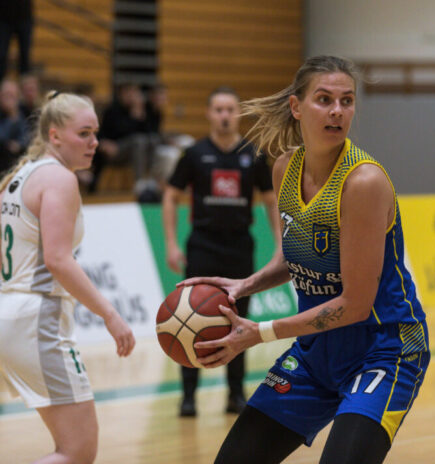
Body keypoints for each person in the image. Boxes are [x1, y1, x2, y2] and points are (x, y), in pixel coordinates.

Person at [179, 55, 429, 464]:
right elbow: (297, 256)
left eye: (347, 101)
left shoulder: (363, 182)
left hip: (384, 349)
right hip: (317, 352)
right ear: (297, 107)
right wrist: (245, 284)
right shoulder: (284, 168)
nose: (337, 111)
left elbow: (355, 304)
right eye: (324, 99)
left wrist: (260, 332)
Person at [0, 90, 136, 463]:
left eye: (95, 133)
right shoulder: (58, 179)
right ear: (55, 135)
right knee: (77, 452)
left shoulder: (20, 176)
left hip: (10, 311)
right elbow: (58, 260)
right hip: (36, 320)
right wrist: (110, 313)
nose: (94, 143)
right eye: (84, 133)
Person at [162, 86, 279, 417]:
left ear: (237, 114)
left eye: (230, 109)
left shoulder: (253, 154)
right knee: (189, 319)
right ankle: (188, 396)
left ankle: (235, 394)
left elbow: (270, 199)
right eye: (219, 109)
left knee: (239, 321)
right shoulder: (194, 154)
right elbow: (170, 195)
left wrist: (280, 244)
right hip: (203, 246)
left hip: (239, 247)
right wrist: (171, 242)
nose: (225, 115)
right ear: (209, 114)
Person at [0, 78, 29, 174]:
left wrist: (19, 145)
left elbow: (27, 139)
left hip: (17, 168)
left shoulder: (24, 112)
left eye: (13, 96)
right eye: (7, 95)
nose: (10, 100)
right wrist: (12, 117)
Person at [0, 0, 33, 81]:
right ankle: (2, 78)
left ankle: (24, 78)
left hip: (24, 16)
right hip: (4, 17)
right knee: (2, 53)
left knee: (25, 53)